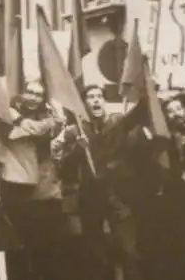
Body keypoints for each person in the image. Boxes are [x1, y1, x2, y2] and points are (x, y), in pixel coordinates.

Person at [54, 84, 141, 280]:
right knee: (95, 252)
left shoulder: (117, 123)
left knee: (128, 249)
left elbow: (139, 114)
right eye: (91, 97)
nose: (95, 100)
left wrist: (148, 89)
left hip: (117, 194)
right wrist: (77, 148)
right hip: (90, 196)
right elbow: (64, 167)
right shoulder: (76, 130)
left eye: (99, 96)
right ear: (84, 104)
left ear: (104, 101)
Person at [0, 80, 68, 280]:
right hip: (16, 185)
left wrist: (54, 122)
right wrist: (52, 122)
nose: (33, 97)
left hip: (44, 188)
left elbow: (46, 134)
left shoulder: (46, 115)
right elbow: (27, 130)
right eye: (30, 92)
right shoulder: (8, 112)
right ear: (22, 93)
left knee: (45, 242)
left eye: (38, 94)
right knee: (18, 242)